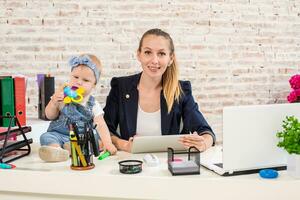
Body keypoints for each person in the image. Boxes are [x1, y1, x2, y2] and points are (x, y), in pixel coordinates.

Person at [103, 28, 216, 153]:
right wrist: (124, 145)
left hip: (168, 164)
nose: (154, 60)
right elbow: (105, 129)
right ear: (139, 54)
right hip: (131, 162)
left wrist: (204, 143)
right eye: (147, 52)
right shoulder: (121, 87)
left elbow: (206, 132)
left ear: (170, 59)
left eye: (161, 54)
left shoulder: (181, 90)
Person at [39, 54, 117, 162]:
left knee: (97, 141)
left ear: (94, 85)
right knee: (46, 137)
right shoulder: (62, 96)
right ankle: (55, 149)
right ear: (70, 75)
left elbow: (101, 125)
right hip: (60, 135)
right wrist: (53, 102)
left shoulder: (93, 104)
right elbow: (49, 115)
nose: (79, 82)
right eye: (75, 77)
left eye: (85, 80)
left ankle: (70, 149)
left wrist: (108, 143)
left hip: (82, 139)